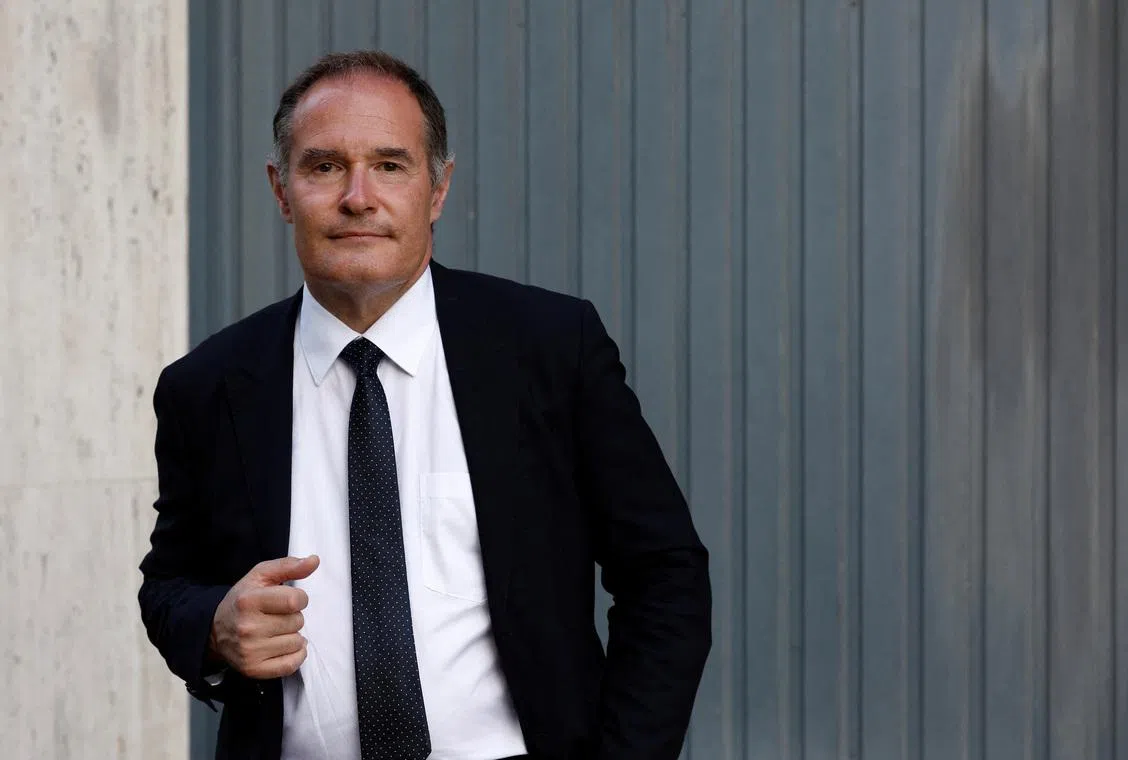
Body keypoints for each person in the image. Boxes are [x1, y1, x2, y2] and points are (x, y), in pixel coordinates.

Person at [138, 50, 711, 760]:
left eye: (389, 165)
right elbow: (168, 586)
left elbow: (665, 574)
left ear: (437, 189)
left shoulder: (550, 350)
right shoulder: (207, 387)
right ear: (282, 190)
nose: (357, 196)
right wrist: (214, 626)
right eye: (323, 166)